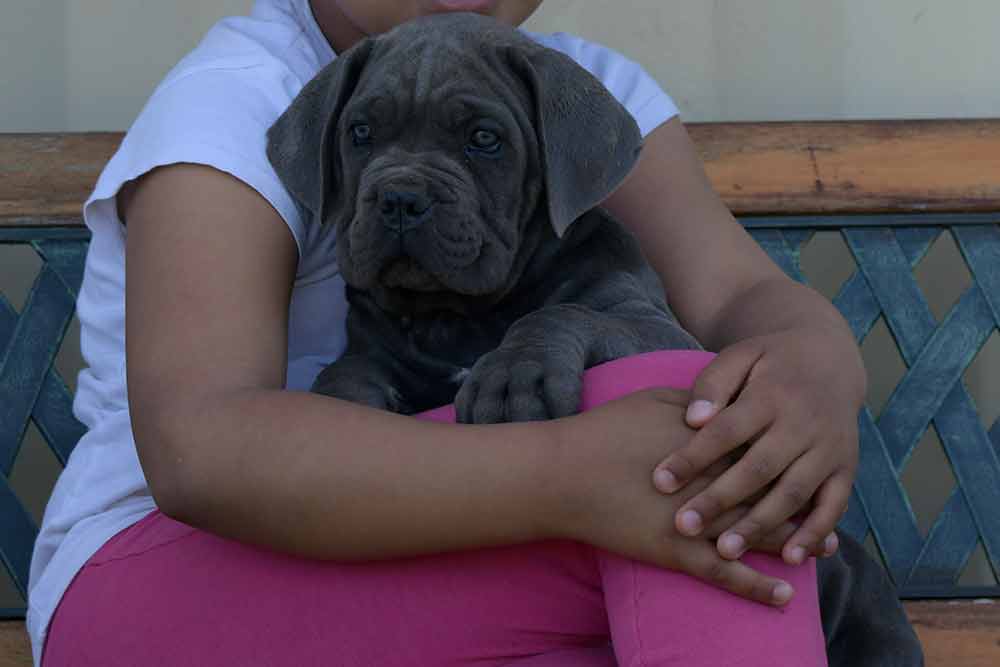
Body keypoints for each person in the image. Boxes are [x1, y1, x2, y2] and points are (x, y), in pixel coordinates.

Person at [29, 1, 866, 665]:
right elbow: (200, 450)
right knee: (687, 462)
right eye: (367, 140)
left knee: (716, 433)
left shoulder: (571, 86)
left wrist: (819, 365)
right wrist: (572, 473)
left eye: (481, 142)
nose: (404, 188)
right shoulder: (236, 95)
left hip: (437, 565)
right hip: (167, 585)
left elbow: (740, 295)